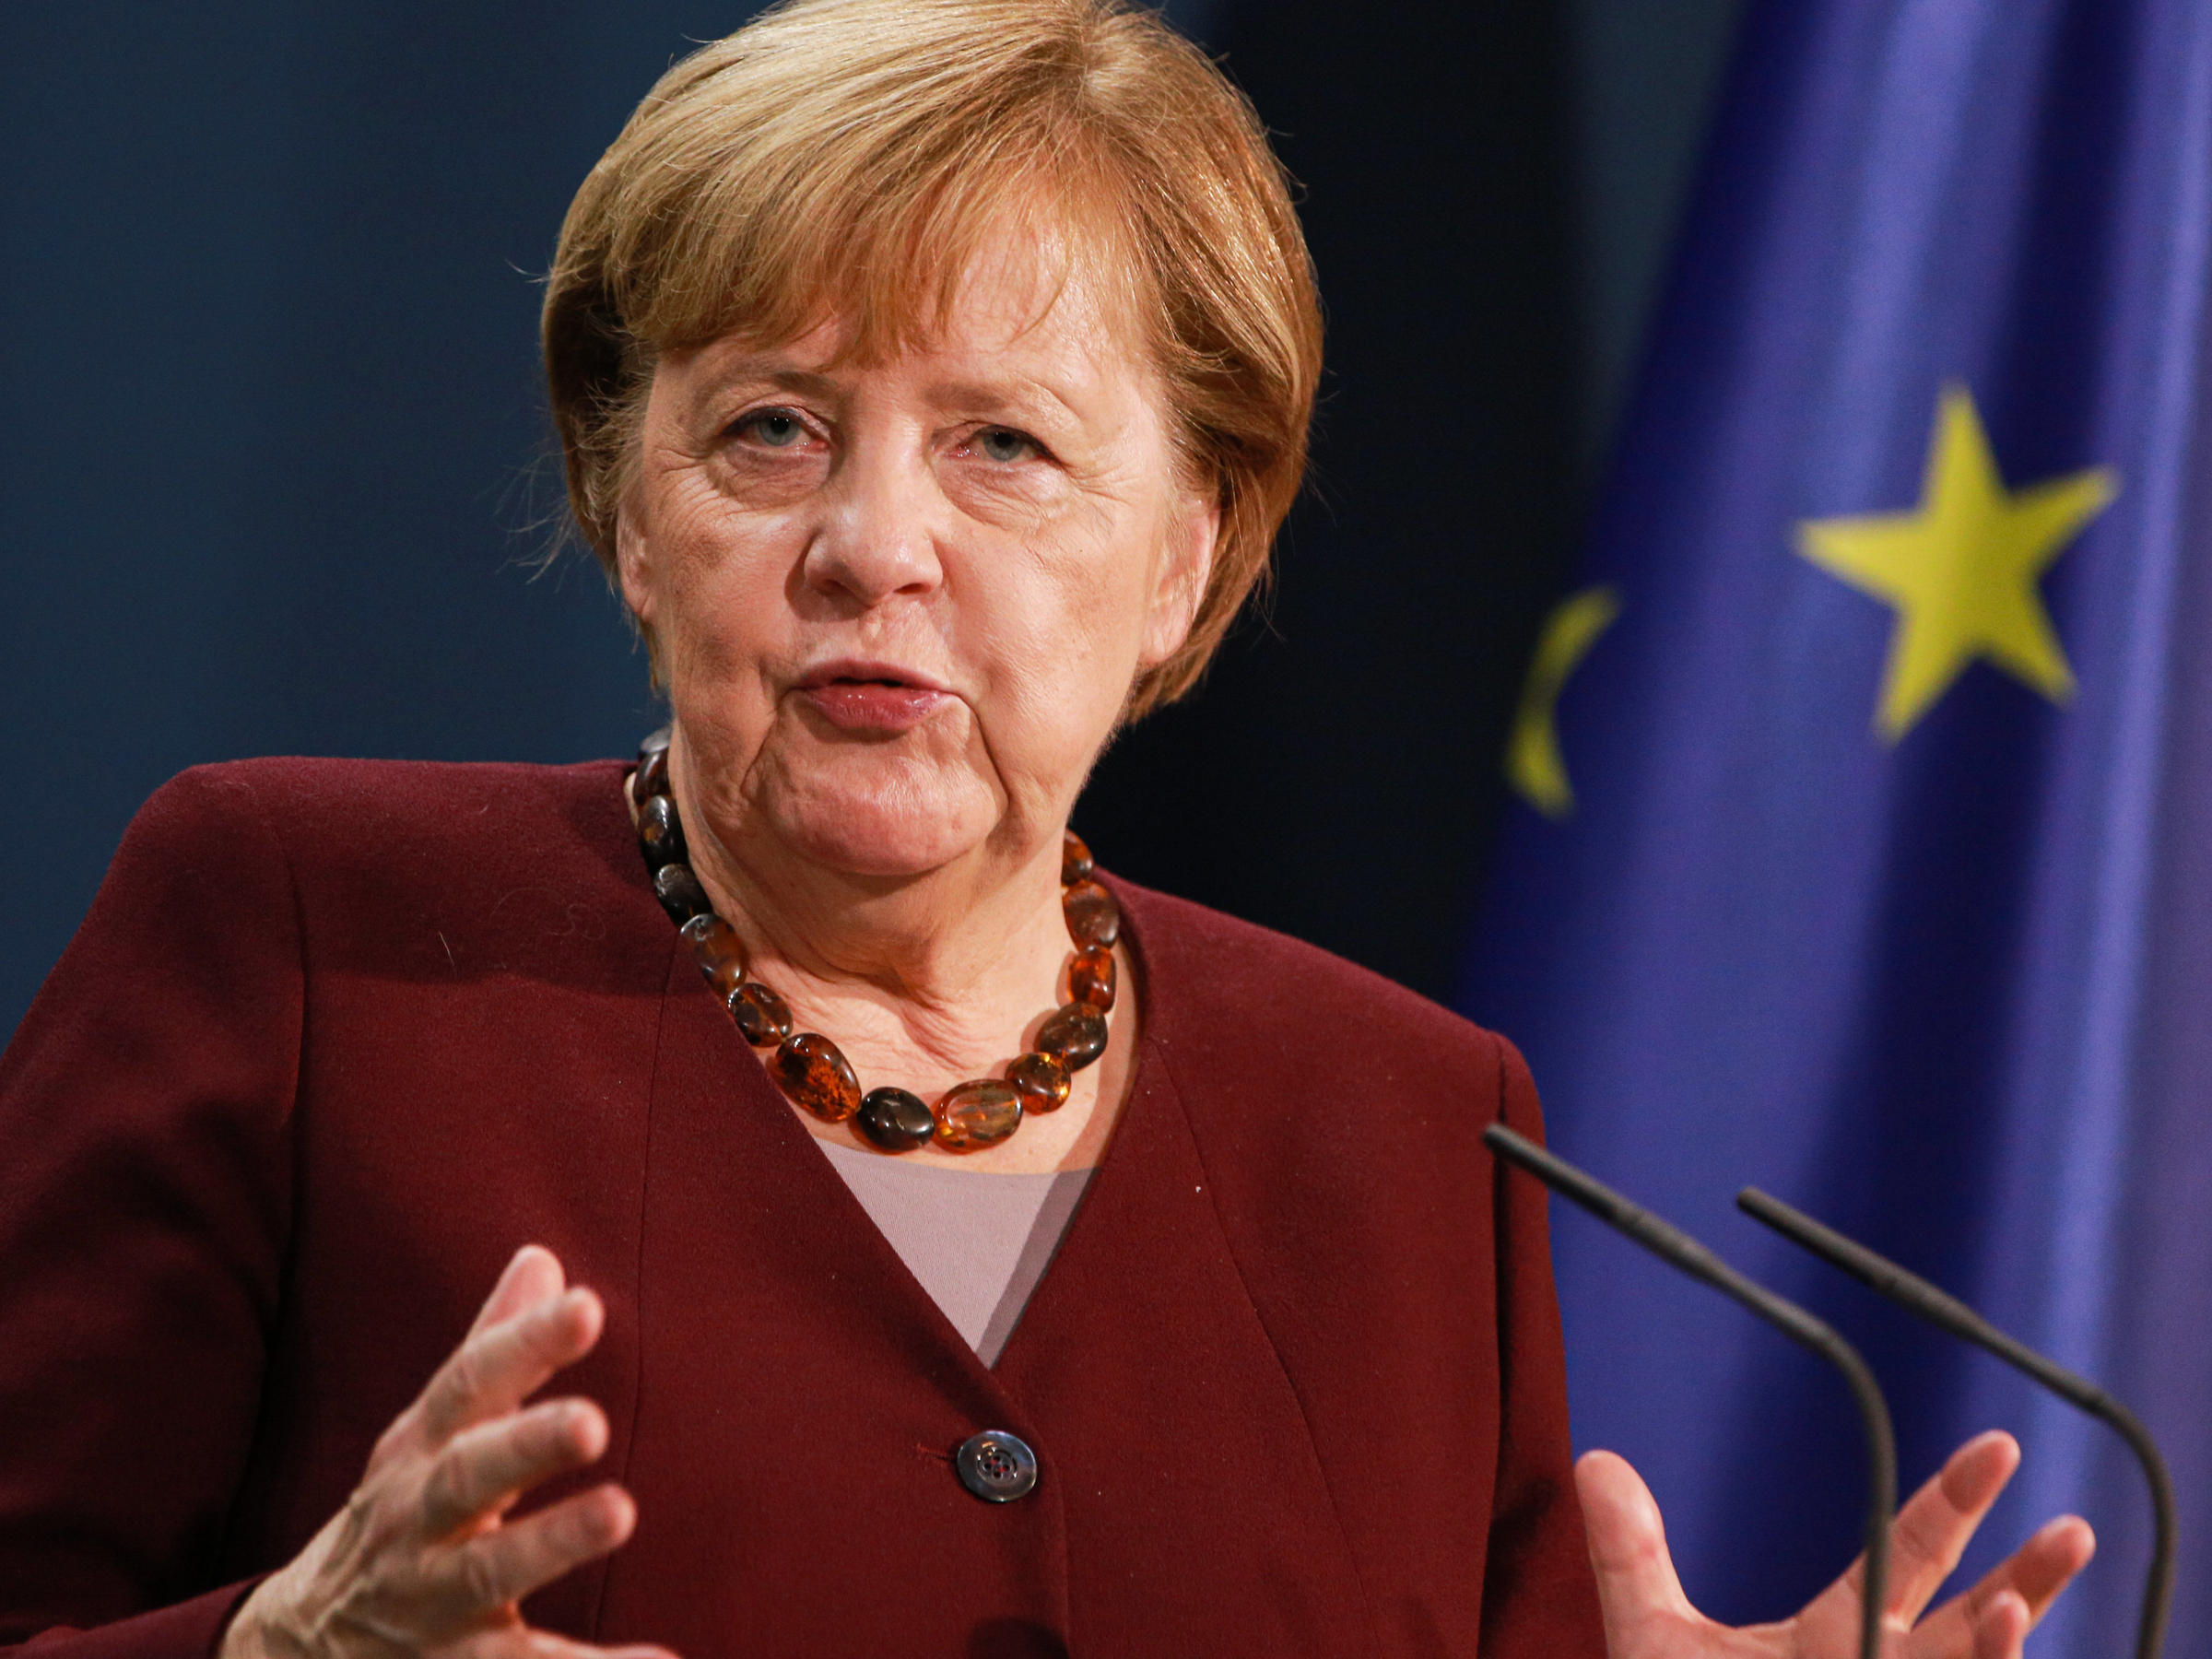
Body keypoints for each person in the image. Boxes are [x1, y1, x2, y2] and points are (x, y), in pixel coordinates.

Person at [0, 2, 2094, 1654]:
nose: (871, 546)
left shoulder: (1408, 1128)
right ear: (629, 508)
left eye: (1004, 445)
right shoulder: (306, 940)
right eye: (768, 431)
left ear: (1189, 558)